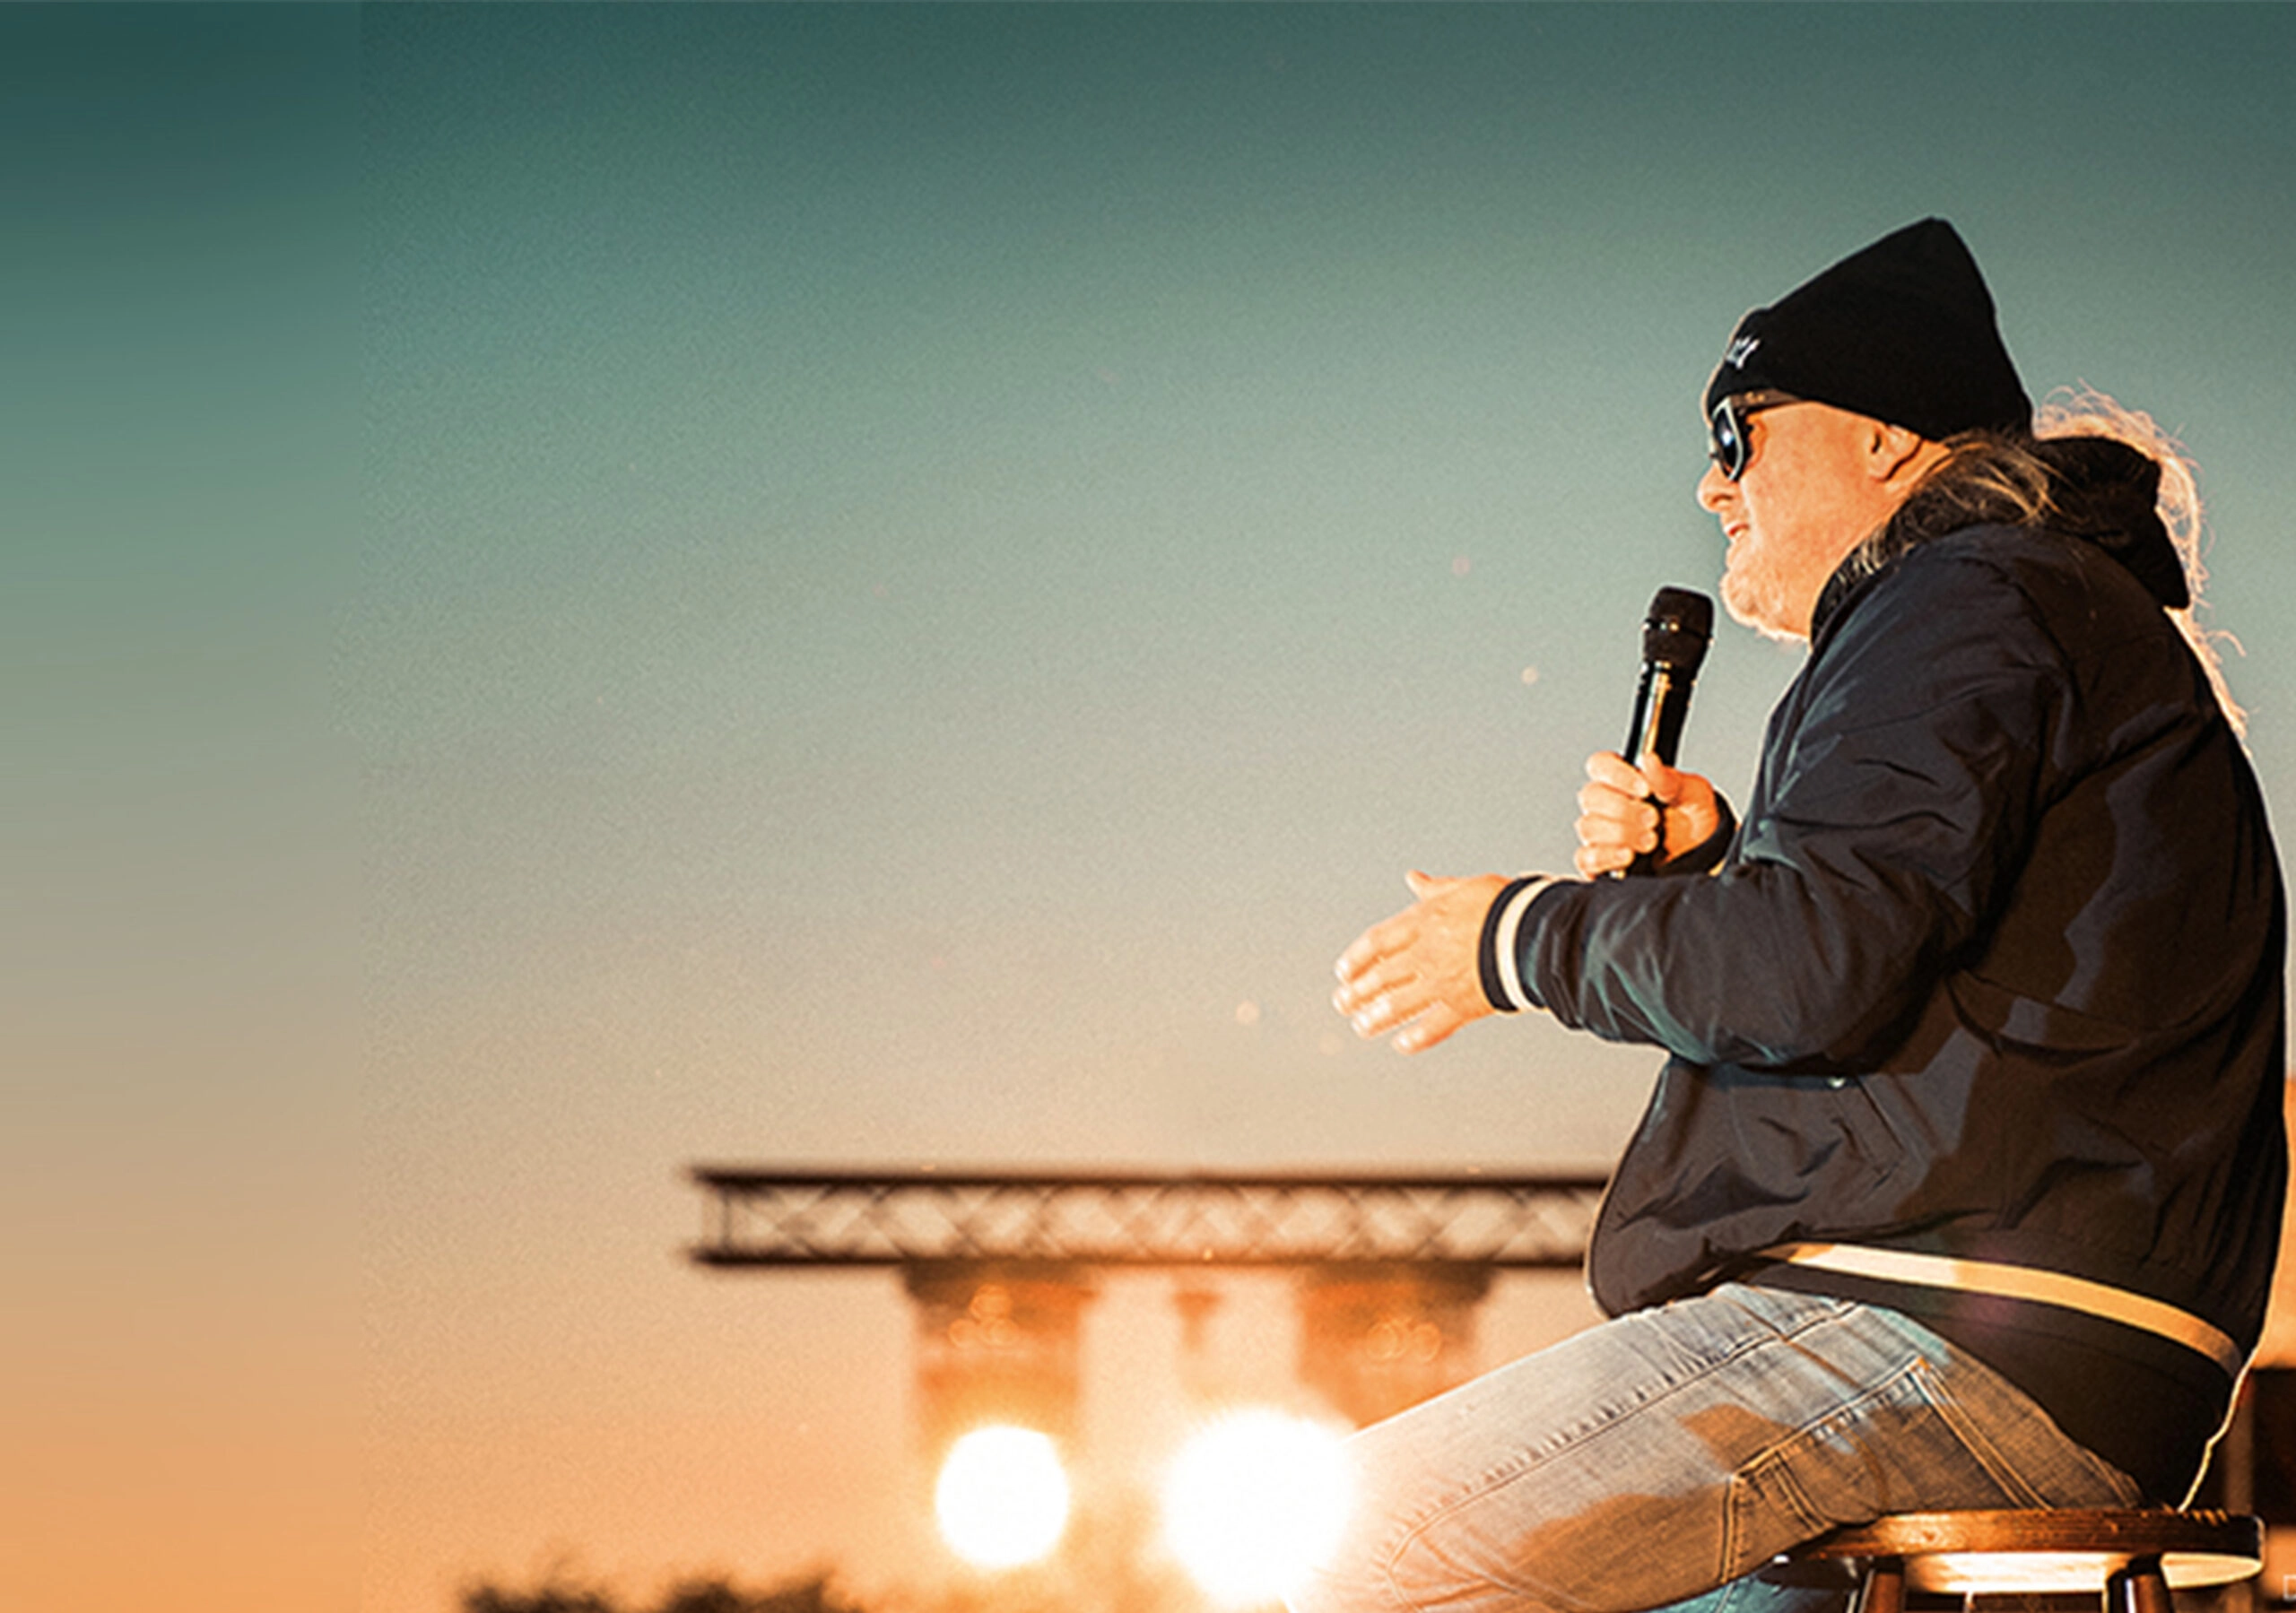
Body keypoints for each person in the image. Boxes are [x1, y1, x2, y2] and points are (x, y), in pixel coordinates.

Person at [1300, 219, 2286, 1613]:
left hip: (1942, 1324)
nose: (1711, 485)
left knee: (1349, 1548)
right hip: (2054, 1331)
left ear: (1886, 436)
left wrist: (1518, 936)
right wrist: (1723, 867)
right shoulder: (2035, 608)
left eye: (1741, 429)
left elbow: (1811, 969)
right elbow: (1918, 972)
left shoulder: (1965, 597)